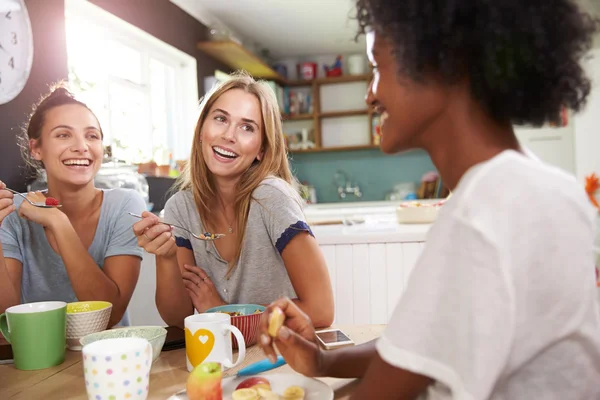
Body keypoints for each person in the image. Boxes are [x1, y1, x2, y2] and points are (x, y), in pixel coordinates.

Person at [259, 1, 600, 399]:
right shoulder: (537, 186)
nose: (371, 95)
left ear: (442, 63)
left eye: (376, 68)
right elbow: (417, 352)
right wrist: (321, 360)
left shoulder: (484, 210)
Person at [133, 72, 334, 329]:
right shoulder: (180, 208)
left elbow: (321, 310)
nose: (229, 135)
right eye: (220, 119)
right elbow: (177, 318)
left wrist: (224, 316)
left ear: (261, 149)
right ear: (202, 129)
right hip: (220, 357)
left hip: (274, 356)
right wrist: (166, 256)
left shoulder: (271, 197)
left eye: (247, 127)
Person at [0, 84, 146, 327]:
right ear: (36, 148)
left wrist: (58, 222)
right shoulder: (13, 213)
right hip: (36, 359)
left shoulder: (125, 203)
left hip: (108, 359)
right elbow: (5, 320)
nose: (81, 146)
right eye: (63, 135)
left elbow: (108, 317)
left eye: (92, 136)